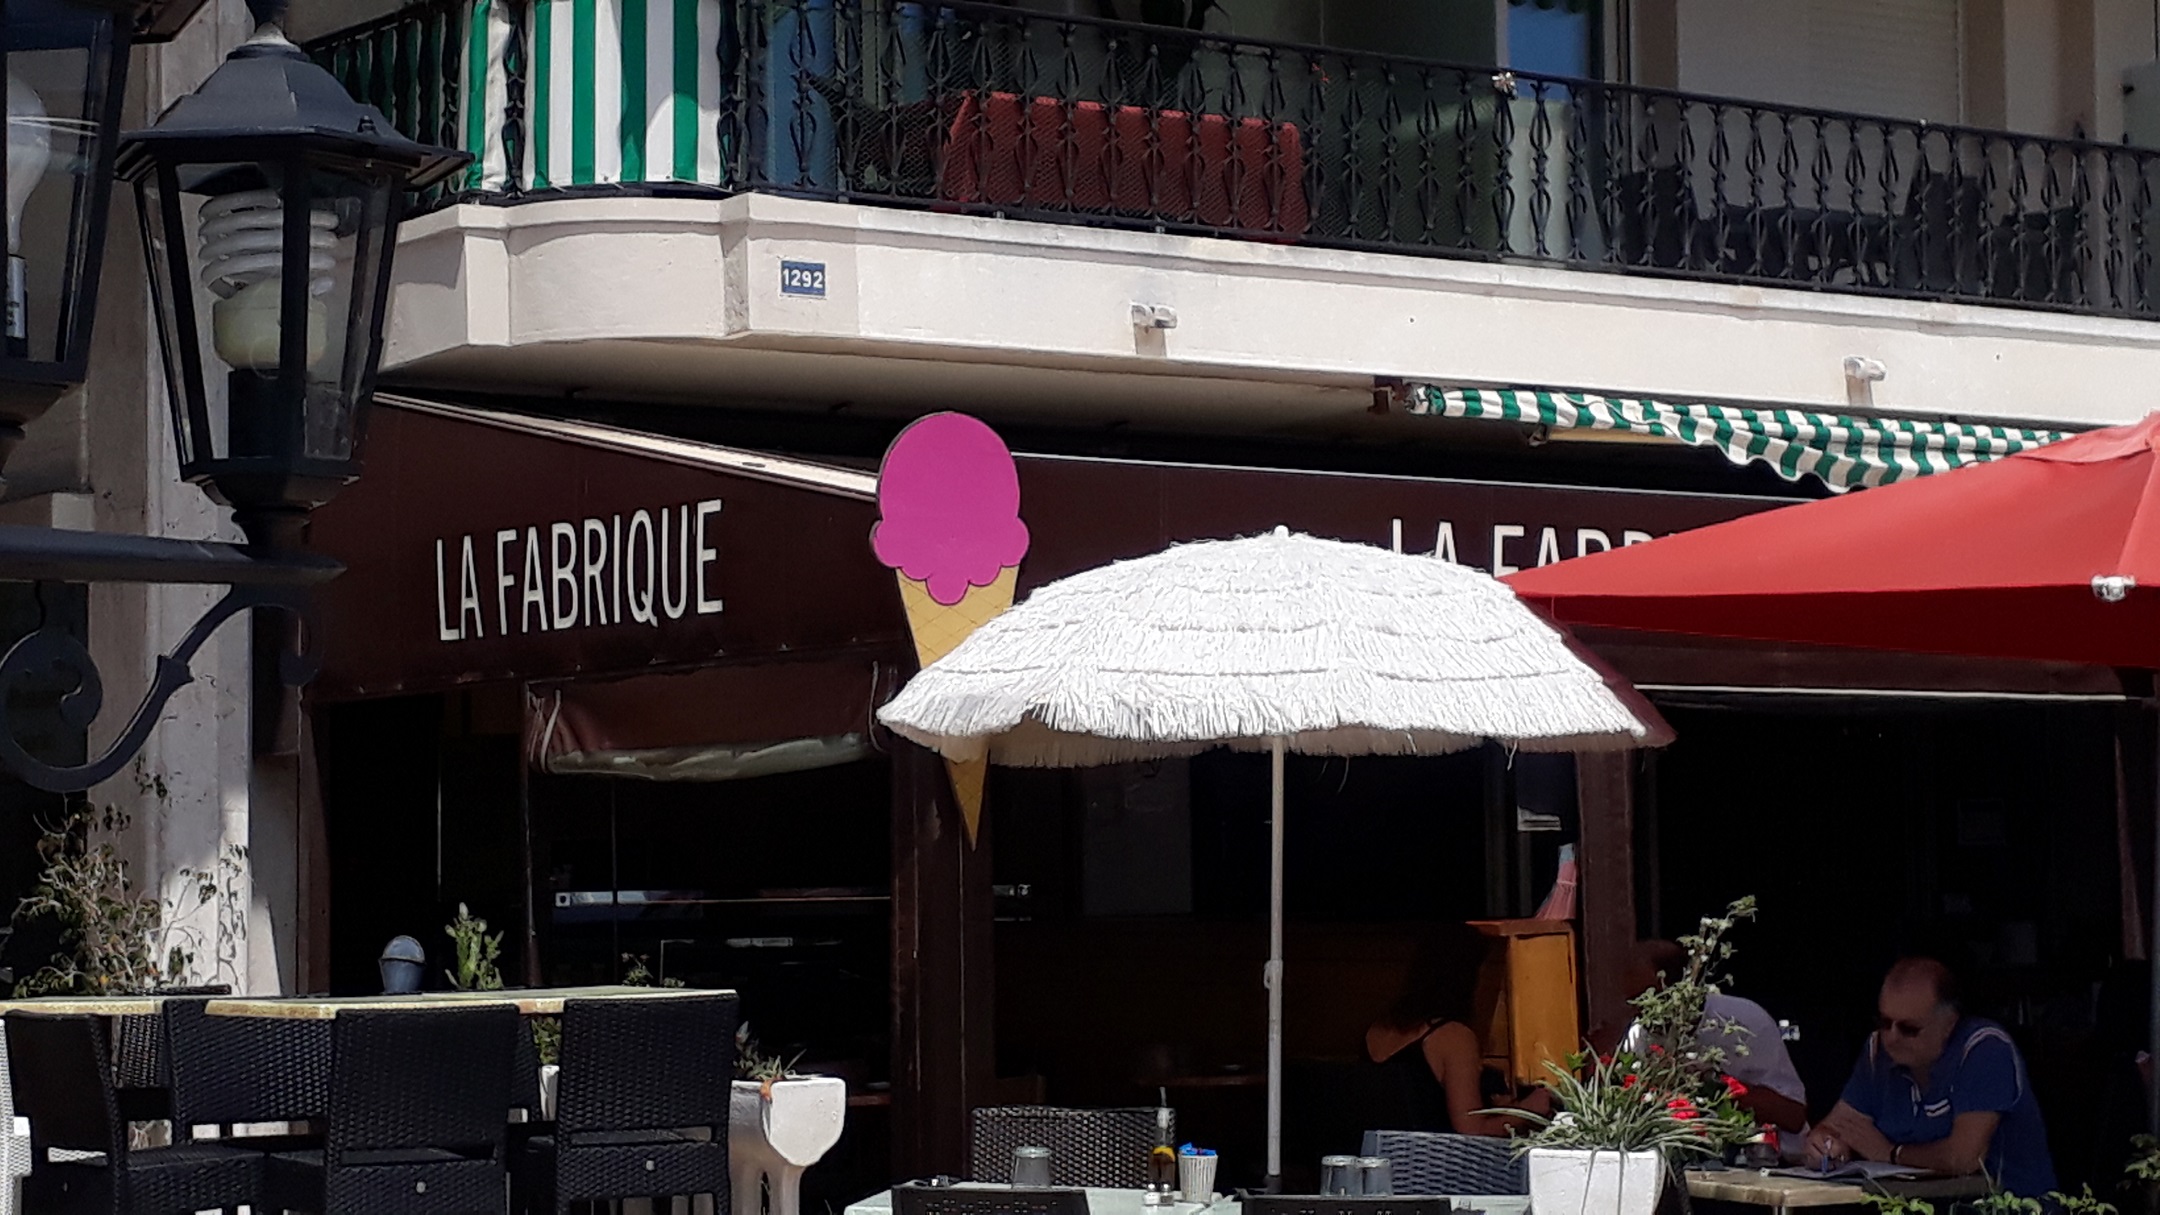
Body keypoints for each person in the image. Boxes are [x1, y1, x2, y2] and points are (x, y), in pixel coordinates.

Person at [1806, 958, 2056, 1196]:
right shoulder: (1876, 1053)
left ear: (1948, 1025)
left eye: (1908, 1028)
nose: (1891, 1037)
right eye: (1884, 1022)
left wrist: (1891, 1153)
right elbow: (1840, 1125)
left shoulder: (1984, 1049)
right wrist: (1823, 1145)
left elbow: (1964, 1158)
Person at [1363, 922, 1553, 1136]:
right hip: (1437, 1163)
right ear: (1469, 978)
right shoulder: (1453, 1038)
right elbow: (1471, 1129)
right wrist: (1528, 1110)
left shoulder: (1378, 1029)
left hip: (1383, 1158)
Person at [1623, 940, 1810, 1132]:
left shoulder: (1745, 1021)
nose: (1639, 1013)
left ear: (1678, 988)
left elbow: (1793, 1116)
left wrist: (1711, 1083)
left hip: (1773, 1157)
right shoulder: (1639, 1033)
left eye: (1646, 999)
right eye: (1632, 1002)